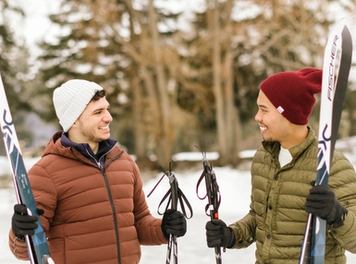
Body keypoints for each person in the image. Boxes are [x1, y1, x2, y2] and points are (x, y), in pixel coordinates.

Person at [9, 79, 186, 264]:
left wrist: (164, 229)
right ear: (74, 120)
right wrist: (20, 233)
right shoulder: (45, 173)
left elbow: (139, 222)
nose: (108, 117)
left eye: (107, 109)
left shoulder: (123, 162)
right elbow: (27, 249)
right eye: (98, 112)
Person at [205, 68, 356, 263]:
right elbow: (258, 217)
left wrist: (337, 215)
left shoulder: (331, 164)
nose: (257, 117)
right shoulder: (263, 157)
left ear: (288, 114)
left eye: (264, 109)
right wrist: (231, 235)